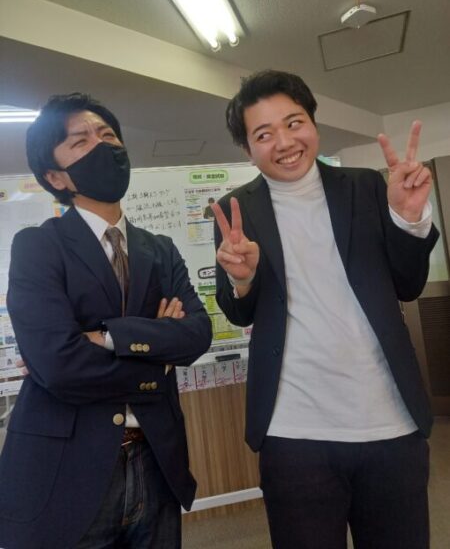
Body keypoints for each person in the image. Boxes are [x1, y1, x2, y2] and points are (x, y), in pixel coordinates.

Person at [212, 70, 439, 549]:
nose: (284, 142)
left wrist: (408, 219)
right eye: (263, 134)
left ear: (313, 123)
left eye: (294, 123)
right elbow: (238, 311)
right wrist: (242, 278)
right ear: (247, 149)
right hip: (294, 433)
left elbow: (407, 284)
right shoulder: (236, 210)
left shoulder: (365, 187)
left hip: (390, 423)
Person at [0, 93, 212, 549]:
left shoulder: (161, 249)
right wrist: (158, 359)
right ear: (56, 176)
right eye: (81, 141)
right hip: (66, 468)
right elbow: (58, 364)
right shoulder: (38, 247)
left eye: (108, 135)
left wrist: (107, 336)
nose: (103, 145)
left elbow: (197, 334)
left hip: (156, 462)